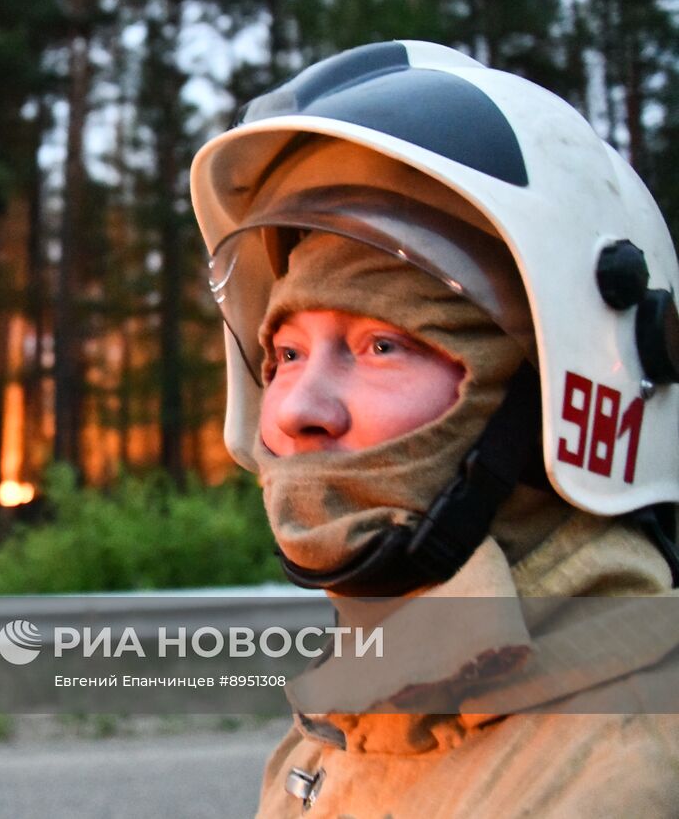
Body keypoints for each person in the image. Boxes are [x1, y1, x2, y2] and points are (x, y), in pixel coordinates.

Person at [188, 40, 679, 817]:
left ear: (554, 387)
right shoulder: (346, 724)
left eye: (382, 345)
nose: (296, 409)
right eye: (286, 353)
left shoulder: (619, 773)